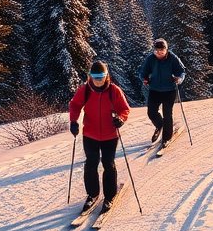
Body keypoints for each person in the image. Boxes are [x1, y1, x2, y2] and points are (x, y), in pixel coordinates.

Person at [68, 61, 131, 213]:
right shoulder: (85, 90)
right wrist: (73, 121)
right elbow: (75, 105)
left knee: (108, 164)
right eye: (95, 77)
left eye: (101, 77)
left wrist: (121, 119)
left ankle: (109, 196)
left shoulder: (113, 91)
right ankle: (92, 194)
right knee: (91, 164)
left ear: (106, 76)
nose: (98, 80)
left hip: (110, 135)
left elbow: (124, 109)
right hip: (90, 134)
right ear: (90, 76)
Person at [140, 38, 186, 145]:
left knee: (167, 114)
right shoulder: (151, 59)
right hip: (154, 90)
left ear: (166, 50)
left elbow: (181, 71)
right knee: (151, 112)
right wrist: (144, 79)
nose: (159, 53)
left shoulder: (172, 58)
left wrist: (179, 79)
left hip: (169, 90)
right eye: (156, 51)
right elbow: (143, 72)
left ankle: (166, 138)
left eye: (162, 51)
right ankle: (159, 125)